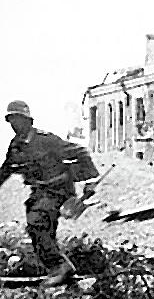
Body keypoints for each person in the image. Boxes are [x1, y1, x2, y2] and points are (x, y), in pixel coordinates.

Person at [0, 101, 98, 280]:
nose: (14, 124)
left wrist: (90, 181)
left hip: (59, 189)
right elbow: (6, 170)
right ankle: (57, 270)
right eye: (11, 120)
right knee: (39, 229)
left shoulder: (47, 140)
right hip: (40, 192)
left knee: (37, 222)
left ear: (28, 121)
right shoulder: (16, 147)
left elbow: (81, 152)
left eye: (18, 119)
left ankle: (61, 266)